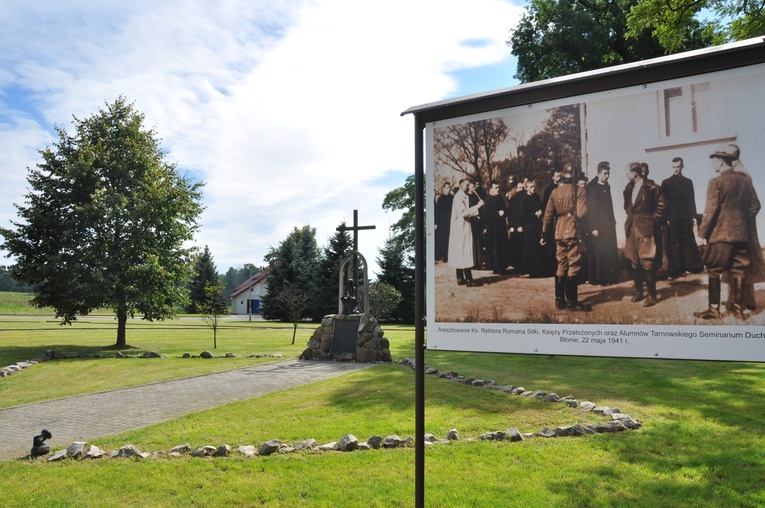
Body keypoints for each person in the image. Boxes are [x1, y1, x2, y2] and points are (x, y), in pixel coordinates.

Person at [695, 144, 761, 319]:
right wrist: (739, 220)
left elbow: (711, 211)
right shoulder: (745, 180)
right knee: (739, 270)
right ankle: (739, 311)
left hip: (721, 235)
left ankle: (714, 309)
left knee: (714, 270)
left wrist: (701, 234)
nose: (712, 165)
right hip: (741, 235)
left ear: (721, 162)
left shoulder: (715, 182)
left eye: (714, 161)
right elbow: (756, 205)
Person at [542, 164, 589, 311]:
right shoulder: (579, 191)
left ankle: (559, 301)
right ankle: (572, 301)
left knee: (561, 264)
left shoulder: (555, 192)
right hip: (572, 230)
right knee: (573, 264)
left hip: (559, 231)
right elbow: (581, 213)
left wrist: (544, 233)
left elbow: (548, 216)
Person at [623, 162, 667, 307]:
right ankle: (638, 292)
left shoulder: (652, 187)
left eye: (628, 172)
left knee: (647, 261)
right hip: (632, 228)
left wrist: (651, 221)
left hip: (645, 228)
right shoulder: (629, 188)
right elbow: (627, 207)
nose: (626, 175)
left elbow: (662, 206)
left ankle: (652, 296)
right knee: (634, 261)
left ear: (635, 173)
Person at [660, 158, 702, 278]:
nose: (676, 169)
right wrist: (666, 217)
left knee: (686, 241)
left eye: (678, 167)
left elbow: (691, 200)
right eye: (673, 167)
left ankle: (687, 266)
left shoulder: (688, 182)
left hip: (685, 216)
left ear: (682, 166)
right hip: (672, 216)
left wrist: (693, 216)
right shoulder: (666, 183)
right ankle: (676, 269)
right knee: (674, 242)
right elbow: (664, 202)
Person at [585, 161, 620, 285]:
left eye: (608, 173)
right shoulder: (593, 189)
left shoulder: (607, 187)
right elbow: (592, 210)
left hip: (609, 224)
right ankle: (600, 278)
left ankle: (610, 276)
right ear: (599, 174)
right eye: (605, 174)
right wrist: (594, 227)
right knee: (600, 252)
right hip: (599, 225)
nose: (607, 176)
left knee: (609, 250)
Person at [448, 178, 484, 287]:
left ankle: (460, 277)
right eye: (466, 185)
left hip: (462, 228)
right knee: (465, 251)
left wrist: (475, 215)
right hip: (461, 229)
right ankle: (469, 279)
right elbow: (464, 213)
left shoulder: (464, 196)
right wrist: (478, 206)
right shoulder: (459, 197)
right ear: (461, 185)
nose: (468, 187)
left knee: (461, 251)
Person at [518, 179, 546, 277]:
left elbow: (541, 207)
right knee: (530, 249)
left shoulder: (537, 197)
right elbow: (522, 215)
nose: (533, 188)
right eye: (531, 187)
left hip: (537, 226)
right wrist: (534, 215)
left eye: (534, 186)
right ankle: (530, 270)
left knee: (537, 249)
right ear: (526, 188)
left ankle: (538, 270)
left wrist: (541, 211)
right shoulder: (523, 200)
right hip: (529, 227)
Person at [483, 181, 509, 274]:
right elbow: (486, 215)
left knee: (502, 246)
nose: (498, 190)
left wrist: (503, 212)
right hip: (493, 227)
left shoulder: (500, 198)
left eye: (498, 188)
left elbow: (506, 210)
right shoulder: (487, 200)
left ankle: (502, 266)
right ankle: (496, 267)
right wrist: (497, 214)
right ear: (491, 189)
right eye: (495, 188)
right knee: (495, 247)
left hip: (501, 226)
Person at [434, 182, 453, 262]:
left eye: (449, 187)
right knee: (444, 238)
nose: (448, 189)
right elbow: (437, 212)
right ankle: (444, 256)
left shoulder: (452, 198)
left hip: (450, 220)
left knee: (450, 238)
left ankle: (449, 255)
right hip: (442, 222)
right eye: (446, 187)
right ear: (444, 188)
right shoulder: (440, 198)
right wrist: (436, 223)